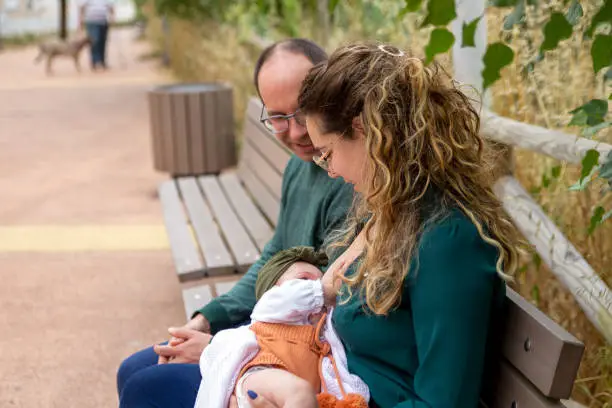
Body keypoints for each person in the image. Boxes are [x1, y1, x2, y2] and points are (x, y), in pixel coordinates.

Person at [246, 42, 524, 408]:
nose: (330, 171)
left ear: (366, 132)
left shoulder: (449, 240)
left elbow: (445, 403)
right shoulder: (391, 212)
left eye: (328, 153)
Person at [116, 39, 355, 408]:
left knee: (145, 387)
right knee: (132, 370)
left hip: (298, 359)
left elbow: (328, 315)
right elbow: (275, 253)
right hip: (271, 334)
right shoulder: (298, 166)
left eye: (303, 110)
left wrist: (216, 350)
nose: (294, 133)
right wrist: (207, 319)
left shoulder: (348, 176)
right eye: (278, 117)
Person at [194, 246, 369, 408]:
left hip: (290, 396)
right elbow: (290, 296)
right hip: (262, 373)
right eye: (304, 280)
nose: (315, 284)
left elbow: (336, 377)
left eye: (320, 280)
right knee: (300, 393)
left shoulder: (325, 333)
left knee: (305, 396)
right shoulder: (272, 306)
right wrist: (323, 289)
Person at [78, 0, 114, 71]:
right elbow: (82, 7)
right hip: (91, 21)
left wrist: (112, 16)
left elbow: (111, 6)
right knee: (95, 40)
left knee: (103, 41)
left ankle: (102, 61)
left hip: (103, 21)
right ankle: (94, 61)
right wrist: (81, 19)